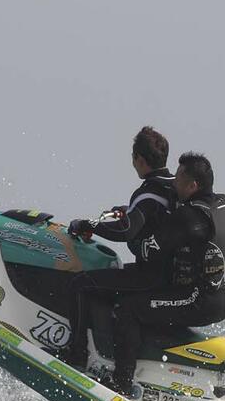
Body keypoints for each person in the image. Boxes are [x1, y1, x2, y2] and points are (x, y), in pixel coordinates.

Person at [101, 152, 225, 396]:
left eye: (178, 178)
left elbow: (147, 250)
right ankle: (160, 376)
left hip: (200, 301)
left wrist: (126, 227)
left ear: (193, 185)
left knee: (129, 309)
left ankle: (121, 383)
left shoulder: (188, 217)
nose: (173, 182)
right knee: (155, 307)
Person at [63, 127, 177, 367]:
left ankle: (77, 355)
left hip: (152, 276)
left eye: (133, 158)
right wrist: (130, 212)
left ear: (140, 159)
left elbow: (127, 231)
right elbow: (154, 221)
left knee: (80, 284)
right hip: (169, 273)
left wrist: (90, 226)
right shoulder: (175, 186)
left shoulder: (148, 193)